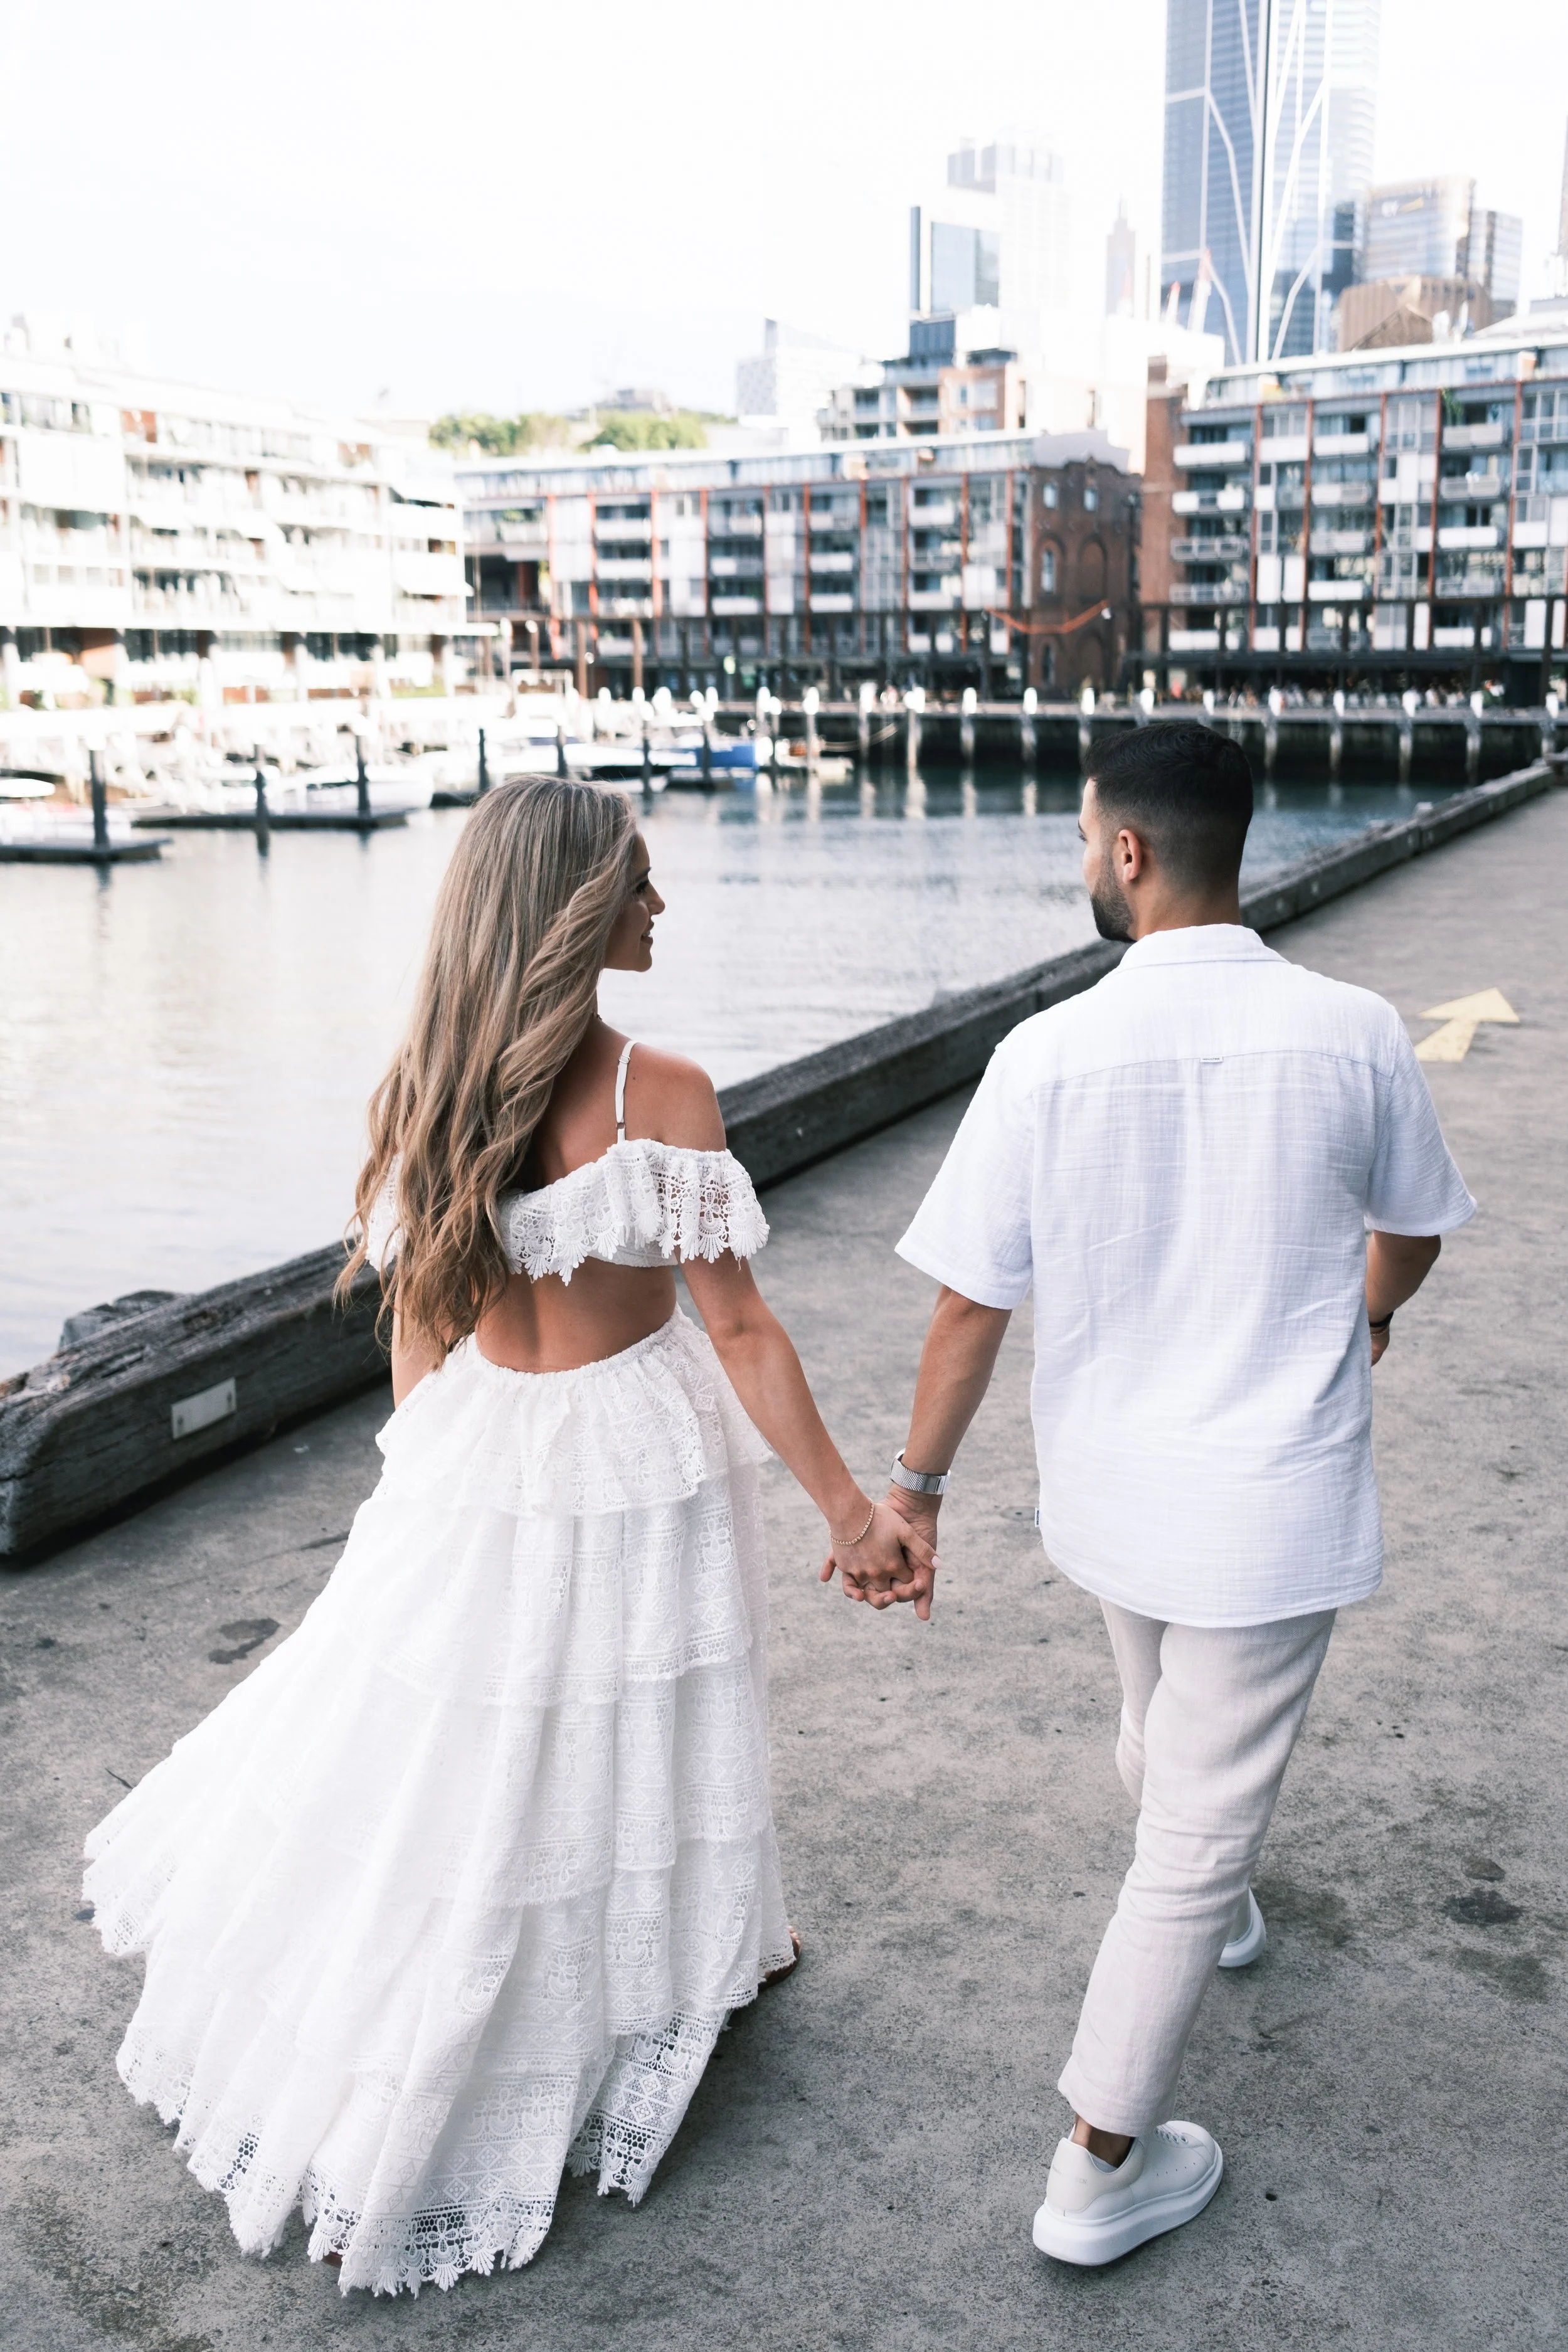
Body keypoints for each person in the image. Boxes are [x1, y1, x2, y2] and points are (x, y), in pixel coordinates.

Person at [83, 776, 930, 2296]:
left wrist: (424, 1478)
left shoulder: (421, 1088)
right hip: (635, 1442)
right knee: (633, 1717)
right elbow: (740, 1331)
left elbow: (418, 1328)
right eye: (636, 885)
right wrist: (848, 1510)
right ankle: (663, 1963)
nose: (658, 906)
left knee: (480, 1734)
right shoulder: (658, 1090)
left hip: (479, 1434)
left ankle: (681, 1943)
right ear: (571, 913)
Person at [861, 722, 1474, 2265]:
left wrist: (916, 1490)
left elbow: (966, 1303)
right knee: (1189, 1838)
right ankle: (1096, 2168)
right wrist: (1368, 1310)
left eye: (1085, 840)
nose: (1084, 861)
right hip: (1266, 1499)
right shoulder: (1350, 1029)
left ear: (1127, 853)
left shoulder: (1043, 1052)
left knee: (1161, 1740)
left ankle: (1216, 1906)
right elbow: (1410, 1226)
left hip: (1112, 1489)